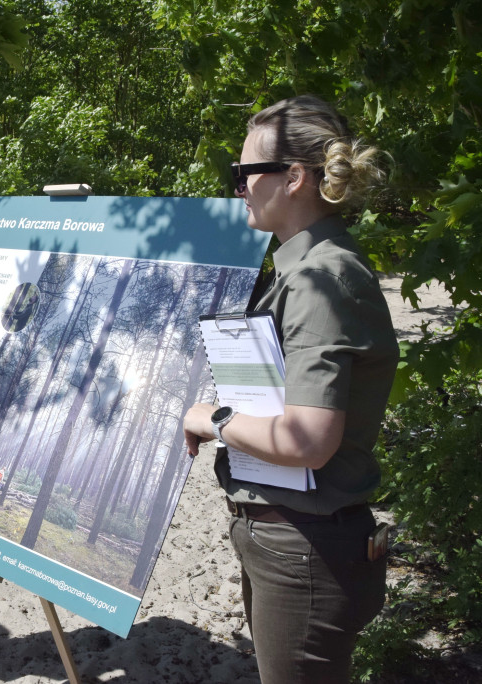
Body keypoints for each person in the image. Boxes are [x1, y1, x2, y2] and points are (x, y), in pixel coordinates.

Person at [183, 95, 398, 683]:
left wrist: (213, 418)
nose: (238, 189)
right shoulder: (306, 270)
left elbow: (307, 440)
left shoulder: (320, 278)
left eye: (244, 173)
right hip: (288, 537)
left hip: (305, 549)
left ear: (295, 178)